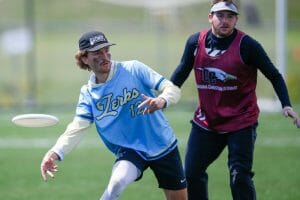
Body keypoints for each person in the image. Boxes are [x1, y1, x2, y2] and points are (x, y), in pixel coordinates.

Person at [170, 0, 300, 199]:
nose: (225, 21)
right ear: (210, 16)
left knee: (239, 176)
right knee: (191, 173)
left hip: (241, 121)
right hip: (207, 122)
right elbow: (180, 73)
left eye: (230, 16)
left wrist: (286, 104)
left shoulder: (248, 45)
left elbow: (274, 74)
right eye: (220, 15)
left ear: (236, 19)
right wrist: (163, 99)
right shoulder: (195, 43)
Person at [40, 30, 187, 200]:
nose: (104, 56)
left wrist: (162, 100)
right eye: (97, 52)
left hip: (162, 143)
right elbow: (76, 128)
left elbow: (173, 90)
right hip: (130, 149)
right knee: (117, 181)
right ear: (84, 58)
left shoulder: (133, 68)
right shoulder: (88, 93)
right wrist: (54, 152)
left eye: (106, 50)